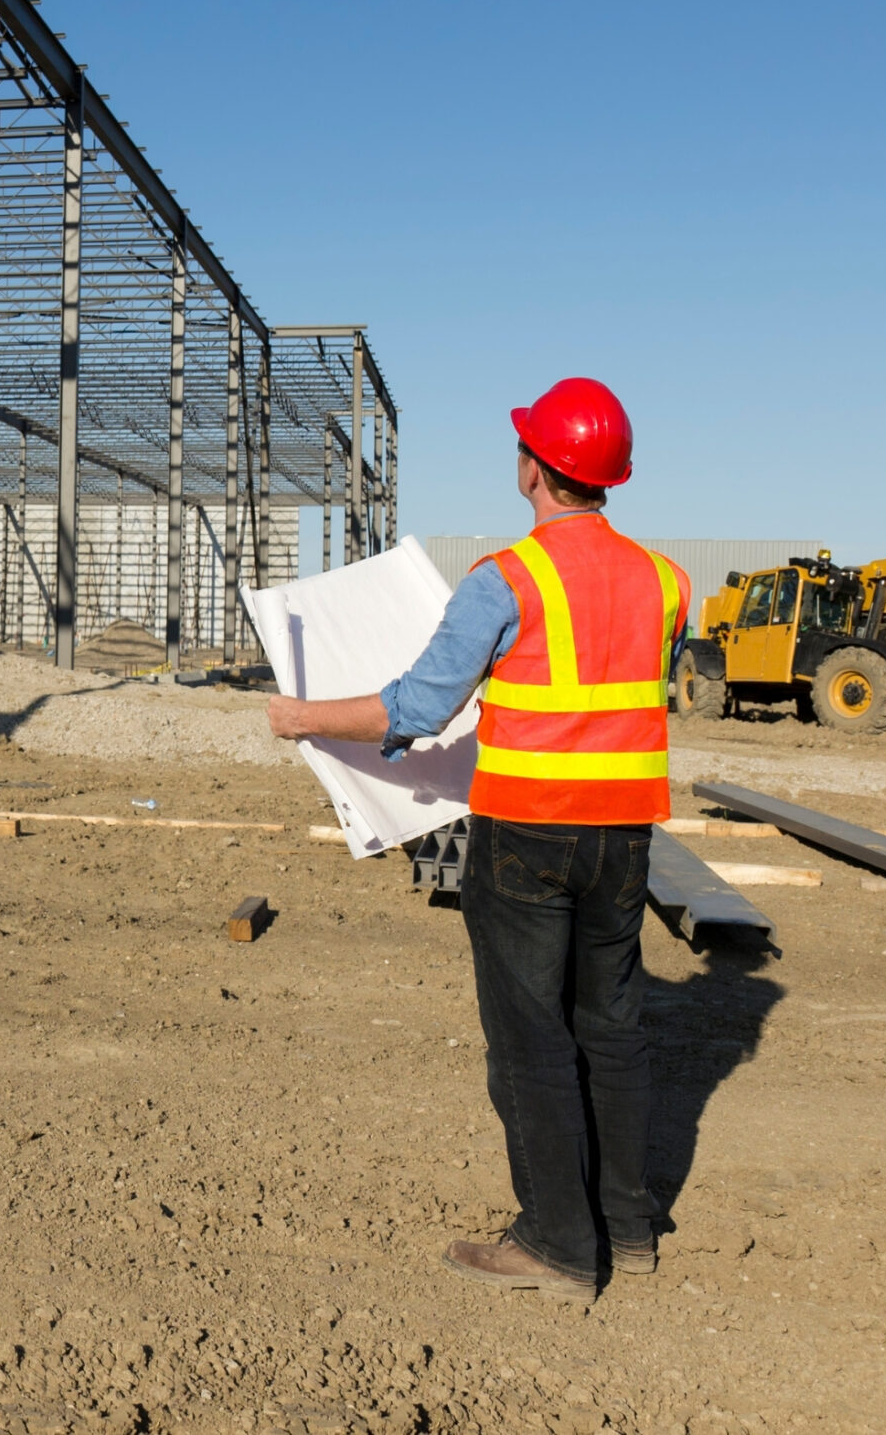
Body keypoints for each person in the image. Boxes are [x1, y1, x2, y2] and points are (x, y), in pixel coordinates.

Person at [267, 377, 690, 1302]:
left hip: (528, 837)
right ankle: (628, 1223)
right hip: (624, 839)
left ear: (535, 468)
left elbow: (416, 707)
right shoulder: (668, 580)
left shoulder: (507, 577)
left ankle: (555, 1242)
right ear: (608, 477)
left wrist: (304, 717)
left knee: (530, 1036)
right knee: (611, 1029)